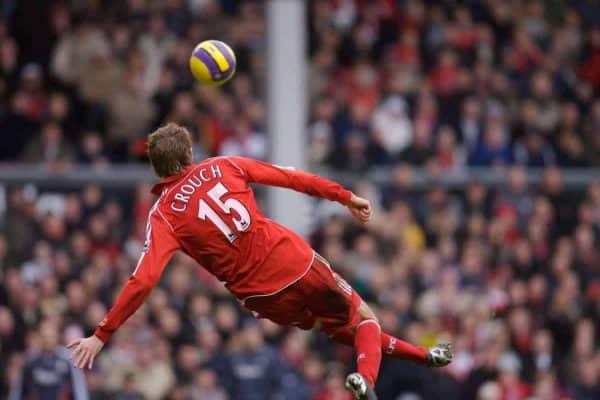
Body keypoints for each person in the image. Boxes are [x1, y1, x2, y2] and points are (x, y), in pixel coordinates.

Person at [68, 123, 452, 400]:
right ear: (189, 154)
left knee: (342, 330)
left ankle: (424, 356)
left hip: (260, 299)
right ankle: (366, 380)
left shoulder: (163, 215)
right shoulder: (223, 165)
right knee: (364, 317)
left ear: (156, 168)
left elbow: (143, 280)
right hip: (292, 262)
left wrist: (101, 335)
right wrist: (344, 196)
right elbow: (290, 178)